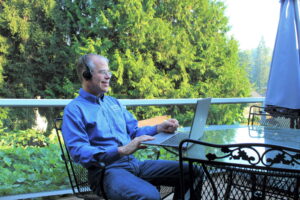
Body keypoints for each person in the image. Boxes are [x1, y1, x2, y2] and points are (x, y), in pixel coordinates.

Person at [62, 53, 189, 200]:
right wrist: (121, 150)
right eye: (103, 72)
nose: (108, 76)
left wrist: (159, 128)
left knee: (193, 171)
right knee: (150, 196)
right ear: (86, 74)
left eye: (108, 72)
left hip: (134, 165)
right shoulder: (74, 110)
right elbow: (79, 151)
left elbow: (134, 131)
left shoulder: (114, 103)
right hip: (106, 172)